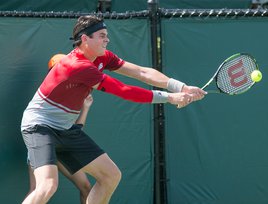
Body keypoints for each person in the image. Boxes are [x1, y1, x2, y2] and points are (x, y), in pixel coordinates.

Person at [21, 15, 207, 204]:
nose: (107, 39)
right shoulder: (77, 66)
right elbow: (124, 90)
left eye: (107, 35)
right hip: (39, 126)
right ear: (85, 39)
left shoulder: (103, 57)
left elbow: (140, 72)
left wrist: (181, 87)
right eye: (101, 35)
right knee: (47, 185)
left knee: (110, 176)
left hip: (65, 128)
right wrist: (169, 98)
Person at [25, 54, 92, 204]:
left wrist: (85, 109)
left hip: (62, 147)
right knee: (39, 190)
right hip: (41, 144)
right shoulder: (45, 94)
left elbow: (73, 129)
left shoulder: (73, 94)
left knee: (86, 187)